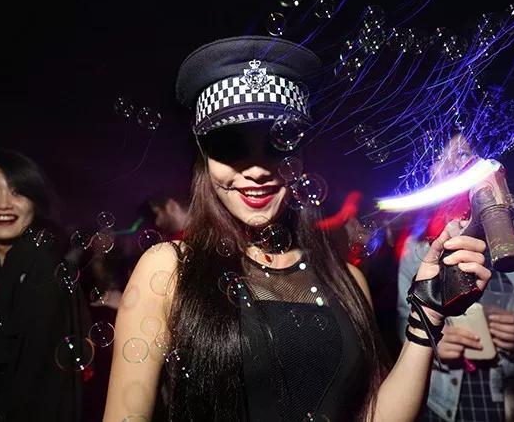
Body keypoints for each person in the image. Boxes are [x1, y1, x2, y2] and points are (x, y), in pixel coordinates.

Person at [103, 36, 492, 422]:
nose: (257, 170)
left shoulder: (346, 279)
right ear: (204, 160)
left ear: (301, 155)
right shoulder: (168, 269)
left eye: (277, 145)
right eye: (232, 146)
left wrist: (428, 313)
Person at [397, 136, 514, 421]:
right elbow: (403, 320)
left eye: (462, 155)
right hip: (442, 403)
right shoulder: (418, 246)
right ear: (429, 172)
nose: (453, 166)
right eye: (440, 158)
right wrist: (431, 341)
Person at [0, 150, 90, 422]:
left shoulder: (41, 268)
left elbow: (41, 385)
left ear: (35, 203)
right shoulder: (5, 273)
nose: (4, 204)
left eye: (18, 192)